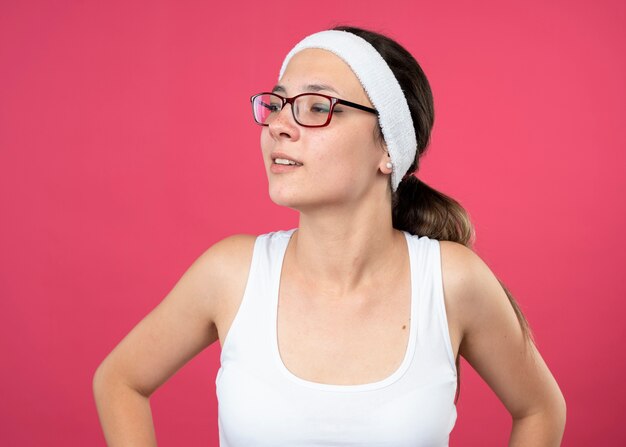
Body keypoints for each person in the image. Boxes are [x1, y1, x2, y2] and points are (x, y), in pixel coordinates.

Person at [93, 26, 566, 446]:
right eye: (276, 104)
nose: (278, 125)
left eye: (317, 107)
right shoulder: (230, 273)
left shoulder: (451, 281)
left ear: (388, 147)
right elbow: (120, 381)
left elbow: (541, 409)